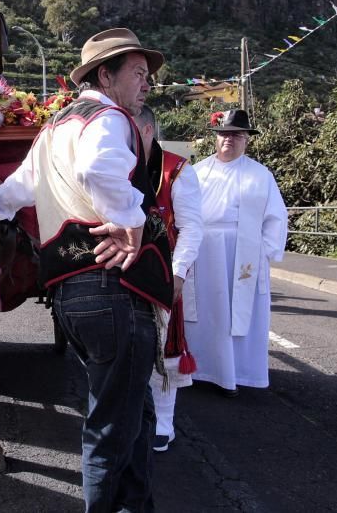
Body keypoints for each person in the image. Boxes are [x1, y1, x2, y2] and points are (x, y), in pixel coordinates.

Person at [0, 28, 172, 512]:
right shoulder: (108, 118)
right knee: (110, 427)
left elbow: (19, 187)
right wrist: (130, 223)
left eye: (148, 75)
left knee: (132, 412)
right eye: (138, 74)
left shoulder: (53, 129)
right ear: (106, 75)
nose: (146, 84)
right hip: (113, 290)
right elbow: (98, 171)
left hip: (71, 293)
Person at [184, 109, 288, 396]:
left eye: (236, 135)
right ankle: (202, 369)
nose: (229, 139)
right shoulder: (197, 172)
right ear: (216, 139)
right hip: (203, 252)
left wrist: (264, 254)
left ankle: (239, 372)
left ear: (246, 140)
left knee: (236, 314)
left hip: (242, 254)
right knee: (206, 311)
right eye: (224, 134)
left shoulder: (260, 175)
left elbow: (276, 217)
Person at [135, 106, 203, 453]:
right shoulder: (118, 164)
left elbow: (191, 228)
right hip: (125, 271)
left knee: (164, 351)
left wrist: (177, 274)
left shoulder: (177, 170)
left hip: (164, 274)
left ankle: (163, 422)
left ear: (145, 131)